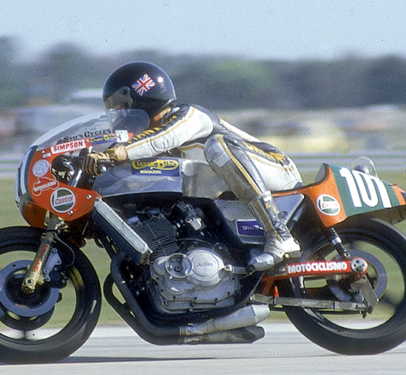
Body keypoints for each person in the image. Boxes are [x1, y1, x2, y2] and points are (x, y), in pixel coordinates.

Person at [87, 61, 302, 272]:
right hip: (234, 195)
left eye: (120, 108)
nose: (118, 117)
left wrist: (116, 153)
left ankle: (279, 235)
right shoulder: (148, 141)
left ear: (141, 101)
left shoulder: (190, 116)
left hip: (277, 169)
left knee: (218, 145)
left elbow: (160, 139)